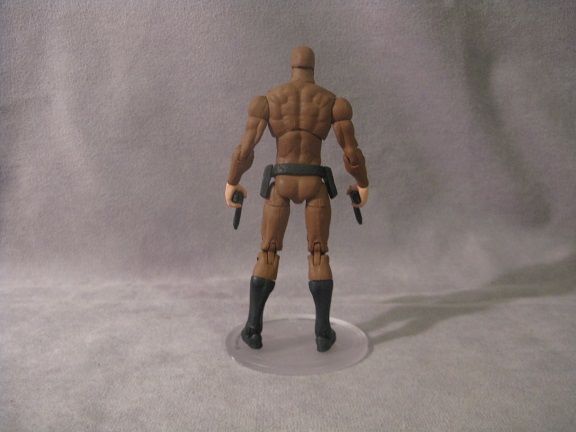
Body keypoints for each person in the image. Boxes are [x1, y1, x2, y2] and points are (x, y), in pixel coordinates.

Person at [225, 46, 369, 352]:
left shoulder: (269, 100)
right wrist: (362, 184)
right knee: (318, 254)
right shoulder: (332, 103)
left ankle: (253, 329)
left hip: (282, 181)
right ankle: (322, 333)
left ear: (292, 66)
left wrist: (232, 181)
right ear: (313, 67)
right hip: (314, 182)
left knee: (268, 251)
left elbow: (246, 148)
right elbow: (351, 152)